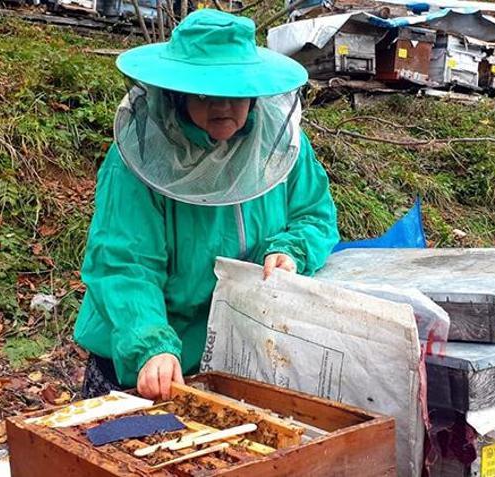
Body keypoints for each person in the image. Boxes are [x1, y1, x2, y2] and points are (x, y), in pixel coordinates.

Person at [73, 9, 339, 400]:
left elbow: (314, 215)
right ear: (177, 91)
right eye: (205, 92)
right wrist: (150, 345)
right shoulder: (141, 154)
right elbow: (124, 261)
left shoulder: (281, 148)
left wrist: (289, 250)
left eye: (235, 93)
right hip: (148, 358)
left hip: (240, 350)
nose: (223, 106)